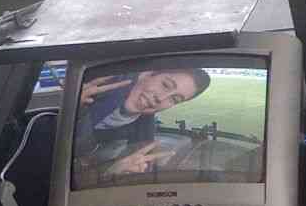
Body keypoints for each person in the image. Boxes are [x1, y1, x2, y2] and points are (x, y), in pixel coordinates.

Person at [75, 69, 211, 176]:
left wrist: (113, 172)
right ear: (147, 74)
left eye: (174, 99)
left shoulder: (143, 137)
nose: (161, 98)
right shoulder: (97, 84)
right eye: (166, 85)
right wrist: (70, 103)